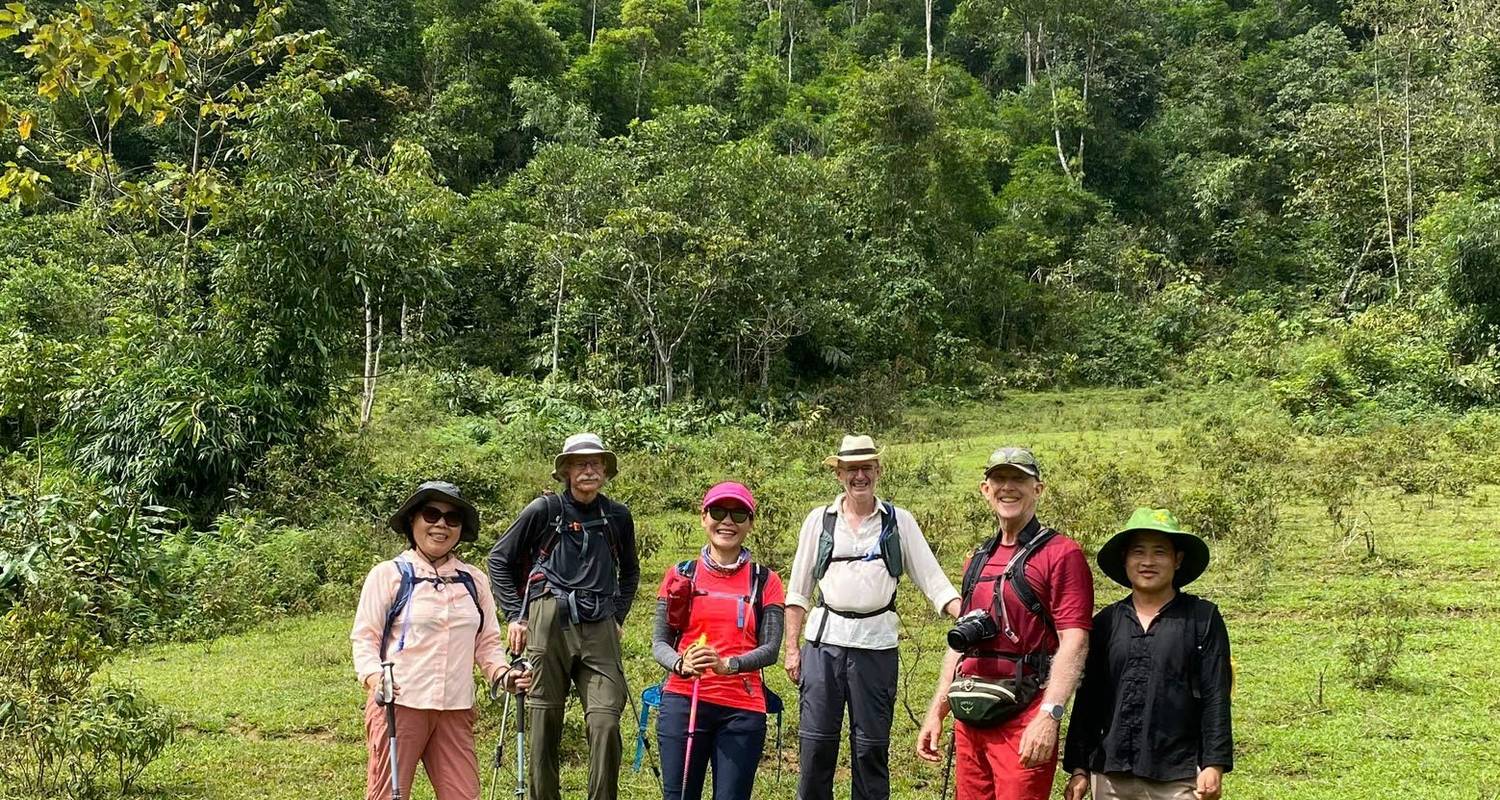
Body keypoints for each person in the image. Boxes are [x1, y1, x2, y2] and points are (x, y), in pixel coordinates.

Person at [784, 434, 962, 800]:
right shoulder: (820, 521)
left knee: (871, 749)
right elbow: (798, 592)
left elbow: (933, 579)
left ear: (878, 470)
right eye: (852, 469)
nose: (859, 476)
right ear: (839, 474)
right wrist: (791, 649)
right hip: (824, 646)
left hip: (877, 647)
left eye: (866, 467)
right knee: (816, 746)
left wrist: (963, 614)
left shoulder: (899, 522)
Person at [915, 446, 1094, 800]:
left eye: (1018, 479)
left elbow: (1074, 641)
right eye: (999, 479)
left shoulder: (1061, 554)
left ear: (1037, 489)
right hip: (972, 718)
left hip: (1025, 717)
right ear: (985, 489)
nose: (1007, 487)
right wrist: (938, 710)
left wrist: (1050, 715)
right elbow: (960, 641)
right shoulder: (978, 559)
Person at [351, 480, 532, 800]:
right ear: (412, 520)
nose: (441, 525)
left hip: (455, 707)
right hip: (399, 705)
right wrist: (375, 677)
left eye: (452, 519)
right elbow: (365, 638)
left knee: (463, 794)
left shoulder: (474, 580)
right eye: (431, 514)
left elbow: (487, 642)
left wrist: (503, 674)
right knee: (387, 795)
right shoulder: (389, 575)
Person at [487, 432, 640, 800]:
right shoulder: (544, 510)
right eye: (580, 464)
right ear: (566, 470)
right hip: (547, 618)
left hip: (600, 621)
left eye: (595, 463)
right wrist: (514, 616)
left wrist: (618, 616)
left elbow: (630, 572)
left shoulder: (617, 516)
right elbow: (498, 559)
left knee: (605, 722)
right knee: (543, 723)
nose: (589, 470)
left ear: (605, 470)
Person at [1062, 508, 1233, 800]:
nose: (1148, 562)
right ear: (1125, 559)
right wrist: (1079, 768)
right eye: (1138, 552)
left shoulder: (1202, 619)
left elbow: (1216, 696)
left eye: (1160, 552)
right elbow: (1088, 700)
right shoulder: (1106, 622)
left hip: (1178, 774)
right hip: (1110, 773)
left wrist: (1213, 764)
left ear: (1177, 560)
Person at [651, 481, 786, 800]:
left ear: (751, 523)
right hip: (684, 701)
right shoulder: (680, 574)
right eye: (718, 511)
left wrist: (730, 665)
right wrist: (680, 663)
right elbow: (659, 643)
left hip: (743, 709)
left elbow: (770, 649)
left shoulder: (765, 581)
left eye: (739, 514)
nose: (728, 521)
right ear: (703, 517)